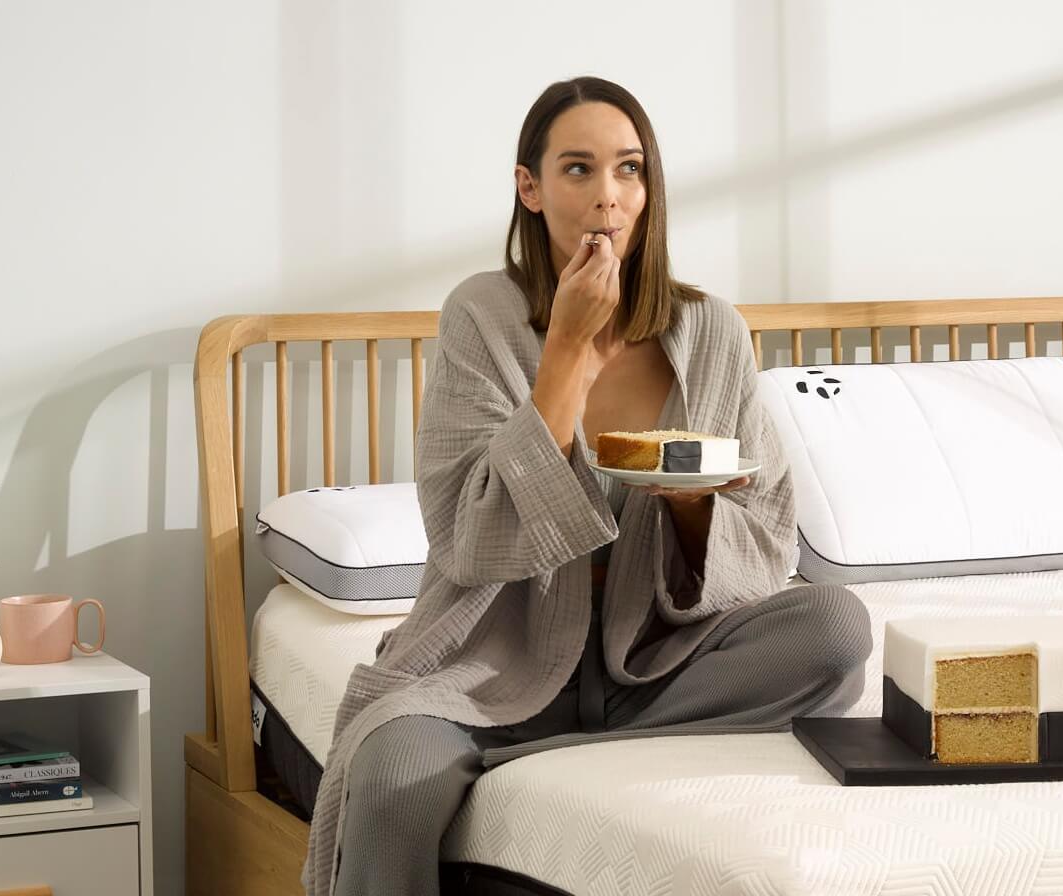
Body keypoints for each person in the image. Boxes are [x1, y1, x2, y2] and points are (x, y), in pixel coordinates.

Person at [301, 76, 873, 896]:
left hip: (657, 664)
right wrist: (564, 349)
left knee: (837, 625)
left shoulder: (712, 331)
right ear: (529, 188)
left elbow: (768, 532)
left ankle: (551, 757)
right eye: (578, 170)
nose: (608, 196)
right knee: (392, 779)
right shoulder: (481, 318)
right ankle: (520, 741)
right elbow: (464, 536)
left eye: (629, 170)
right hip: (493, 665)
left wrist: (691, 511)